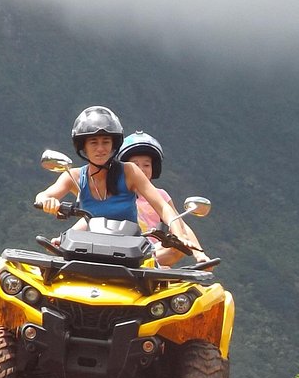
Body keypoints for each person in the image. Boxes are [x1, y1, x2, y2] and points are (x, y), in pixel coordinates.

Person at [34, 106, 210, 264]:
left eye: (105, 142)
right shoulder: (74, 176)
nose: (100, 148)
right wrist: (48, 202)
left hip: (133, 254)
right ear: (84, 147)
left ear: (113, 146)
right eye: (93, 142)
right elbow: (44, 195)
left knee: (173, 261)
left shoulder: (129, 171)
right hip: (89, 252)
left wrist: (179, 235)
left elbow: (163, 206)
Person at [117, 130, 203, 267]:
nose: (141, 169)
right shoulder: (116, 195)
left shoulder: (161, 195)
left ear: (154, 168)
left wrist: (200, 254)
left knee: (179, 244)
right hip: (123, 252)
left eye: (146, 165)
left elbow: (180, 224)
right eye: (135, 165)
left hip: (153, 253)